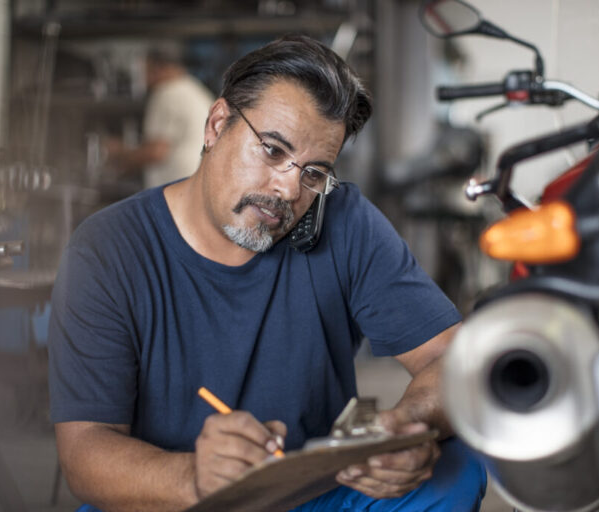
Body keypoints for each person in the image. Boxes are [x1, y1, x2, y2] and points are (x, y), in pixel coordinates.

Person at [48, 34, 486, 512]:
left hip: (314, 491)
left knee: (455, 468)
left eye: (315, 172)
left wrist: (405, 429)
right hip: (179, 496)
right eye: (273, 150)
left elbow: (452, 357)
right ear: (216, 125)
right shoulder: (108, 248)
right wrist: (196, 477)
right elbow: (86, 450)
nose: (288, 189)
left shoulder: (345, 221)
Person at [104, 45, 214, 189]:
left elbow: (156, 152)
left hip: (178, 189)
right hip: (200, 184)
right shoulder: (194, 89)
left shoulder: (168, 92)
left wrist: (121, 156)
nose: (144, 78)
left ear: (158, 67)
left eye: (145, 70)